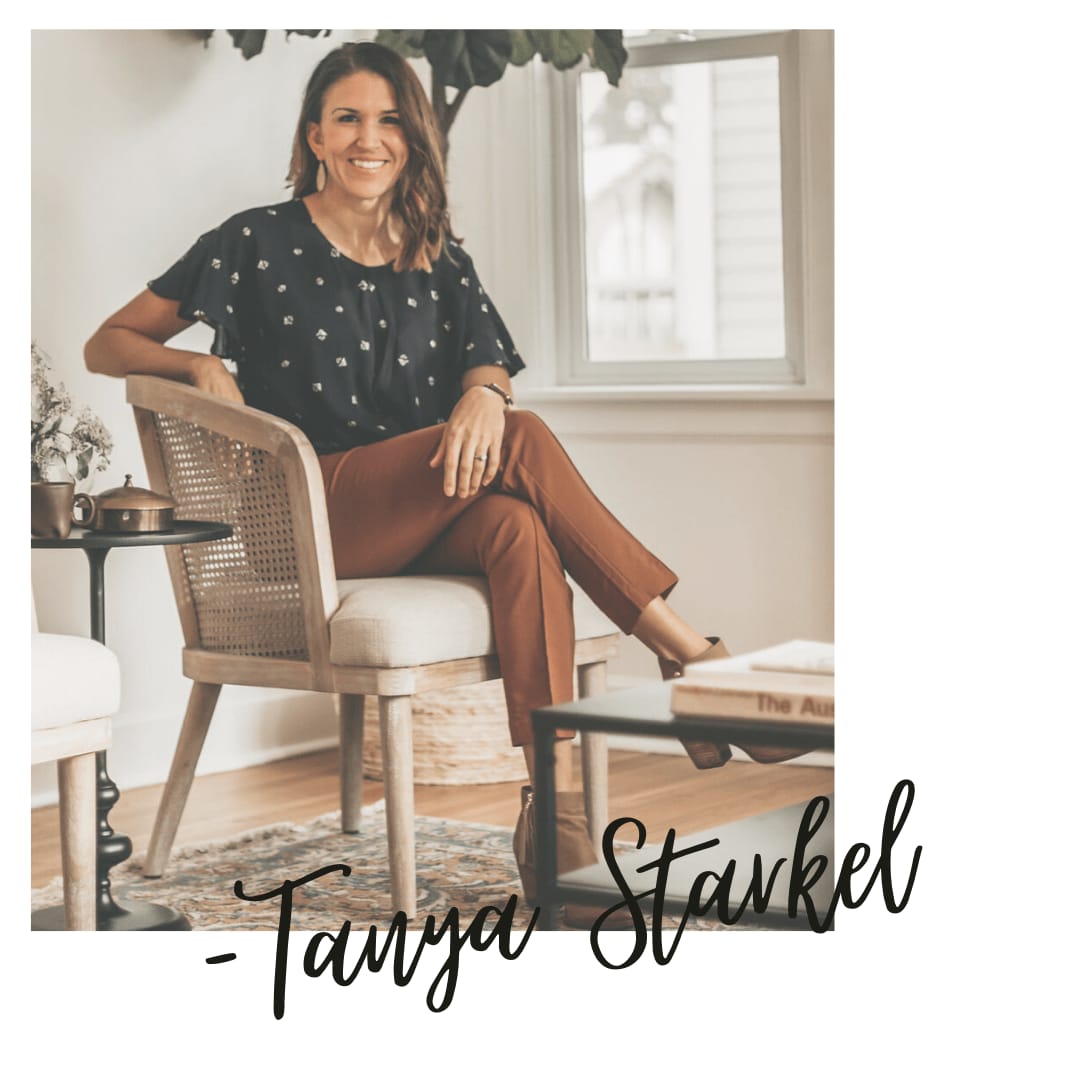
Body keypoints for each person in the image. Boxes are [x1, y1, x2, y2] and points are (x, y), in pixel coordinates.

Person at [84, 41, 797, 927]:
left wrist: (483, 395)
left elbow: (489, 363)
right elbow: (106, 343)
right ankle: (695, 662)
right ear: (314, 134)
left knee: (518, 530)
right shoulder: (253, 242)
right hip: (308, 513)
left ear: (413, 141)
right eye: (346, 117)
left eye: (388, 120)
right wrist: (192, 365)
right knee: (522, 438)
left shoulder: (436, 255)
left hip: (423, 504)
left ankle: (557, 815)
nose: (367, 138)